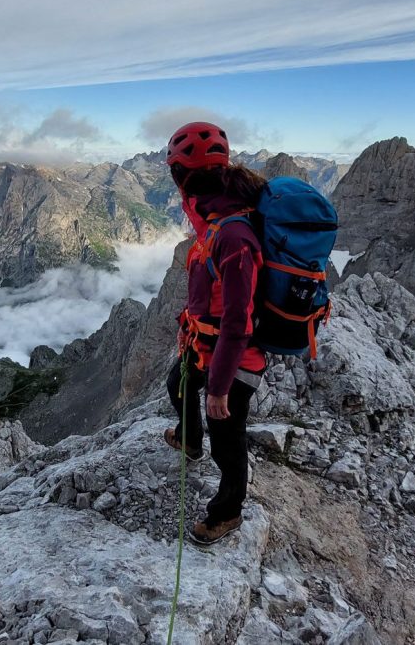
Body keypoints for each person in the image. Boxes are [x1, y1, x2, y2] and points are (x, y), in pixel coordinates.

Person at [163, 121, 268, 545]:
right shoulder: (213, 211)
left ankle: (228, 513)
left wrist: (220, 389)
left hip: (236, 359)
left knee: (227, 438)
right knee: (177, 384)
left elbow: (238, 323)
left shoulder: (236, 238)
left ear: (184, 177)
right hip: (204, 344)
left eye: (176, 177)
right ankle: (189, 441)